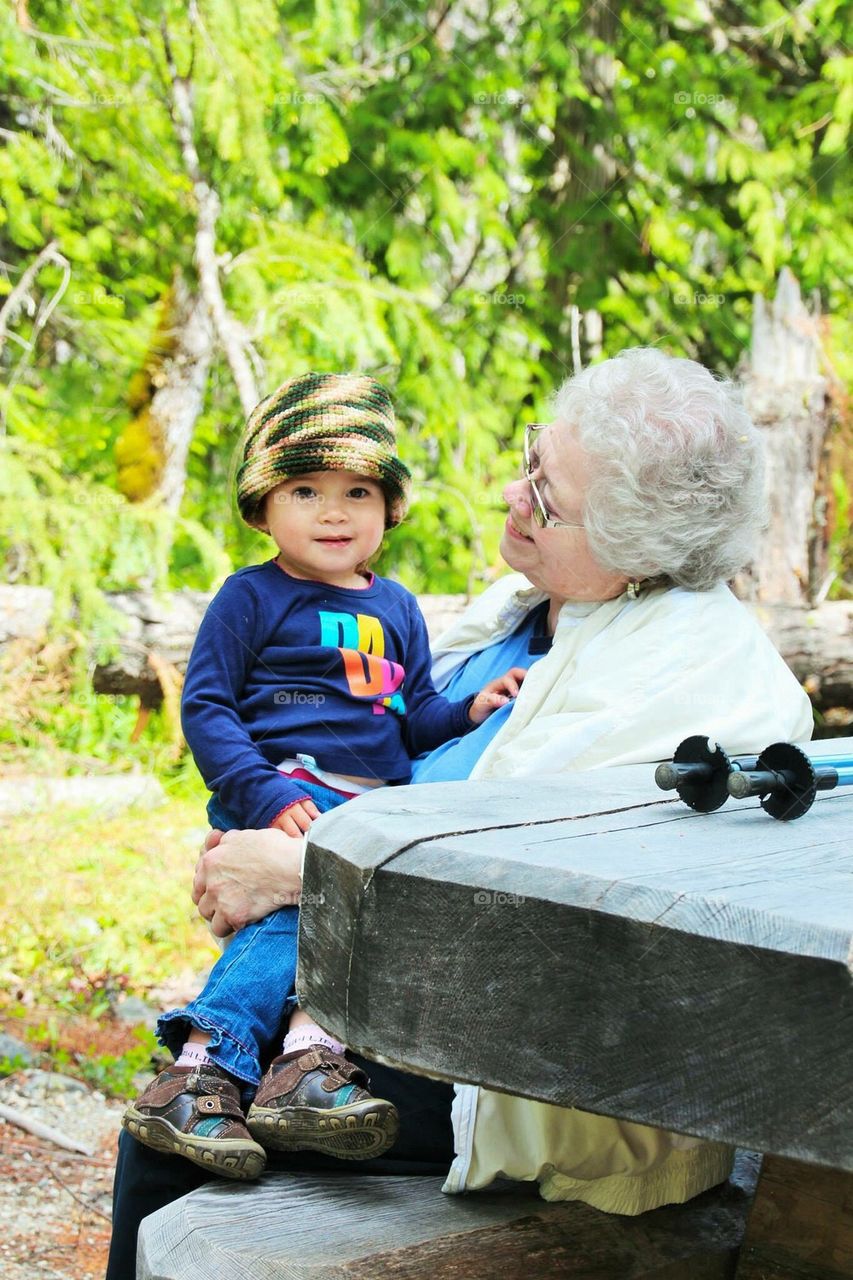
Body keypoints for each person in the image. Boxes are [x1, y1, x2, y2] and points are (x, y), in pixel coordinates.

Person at [107, 348, 813, 1278]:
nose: (513, 498)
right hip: (379, 1000)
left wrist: (294, 875)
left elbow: (533, 909)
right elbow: (390, 743)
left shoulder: (698, 680)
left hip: (514, 1071)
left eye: (547, 497)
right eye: (531, 460)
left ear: (636, 542)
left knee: (164, 1153)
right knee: (179, 1112)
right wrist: (272, 823)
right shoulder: (529, 604)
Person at [121, 372, 523, 1182]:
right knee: (285, 920)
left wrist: (469, 709)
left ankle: (308, 1055)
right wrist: (263, 794)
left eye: (357, 490)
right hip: (283, 787)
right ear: (263, 506)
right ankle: (201, 1064)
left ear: (389, 508)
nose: (333, 511)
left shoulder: (400, 607)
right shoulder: (251, 597)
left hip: (369, 806)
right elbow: (206, 709)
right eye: (305, 489)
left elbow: (412, 716)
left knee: (340, 927)